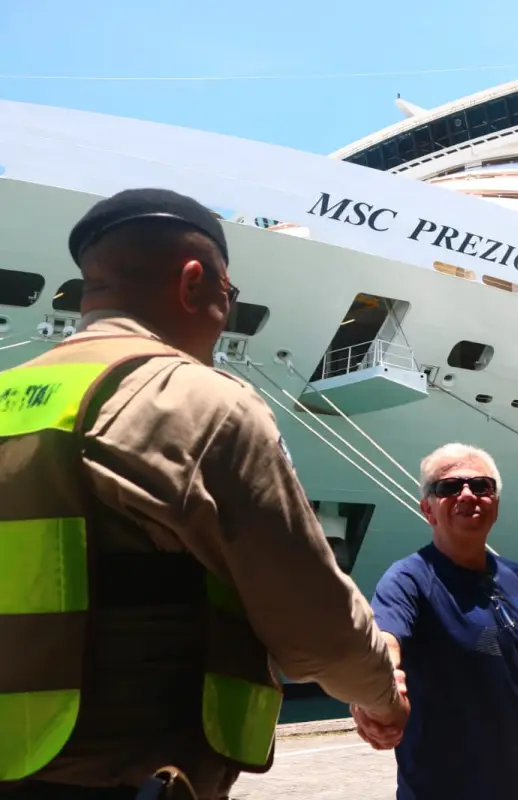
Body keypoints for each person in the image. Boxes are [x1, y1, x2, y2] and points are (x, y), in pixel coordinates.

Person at [0, 188, 409, 800]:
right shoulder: (201, 403)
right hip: (123, 773)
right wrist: (382, 690)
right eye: (229, 294)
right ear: (195, 282)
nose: (225, 311)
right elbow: (314, 628)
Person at [366, 443, 518, 800]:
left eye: (481, 486)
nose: (467, 494)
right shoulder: (409, 579)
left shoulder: (517, 576)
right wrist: (374, 693)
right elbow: (385, 641)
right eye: (448, 487)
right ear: (427, 509)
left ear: (495, 503)